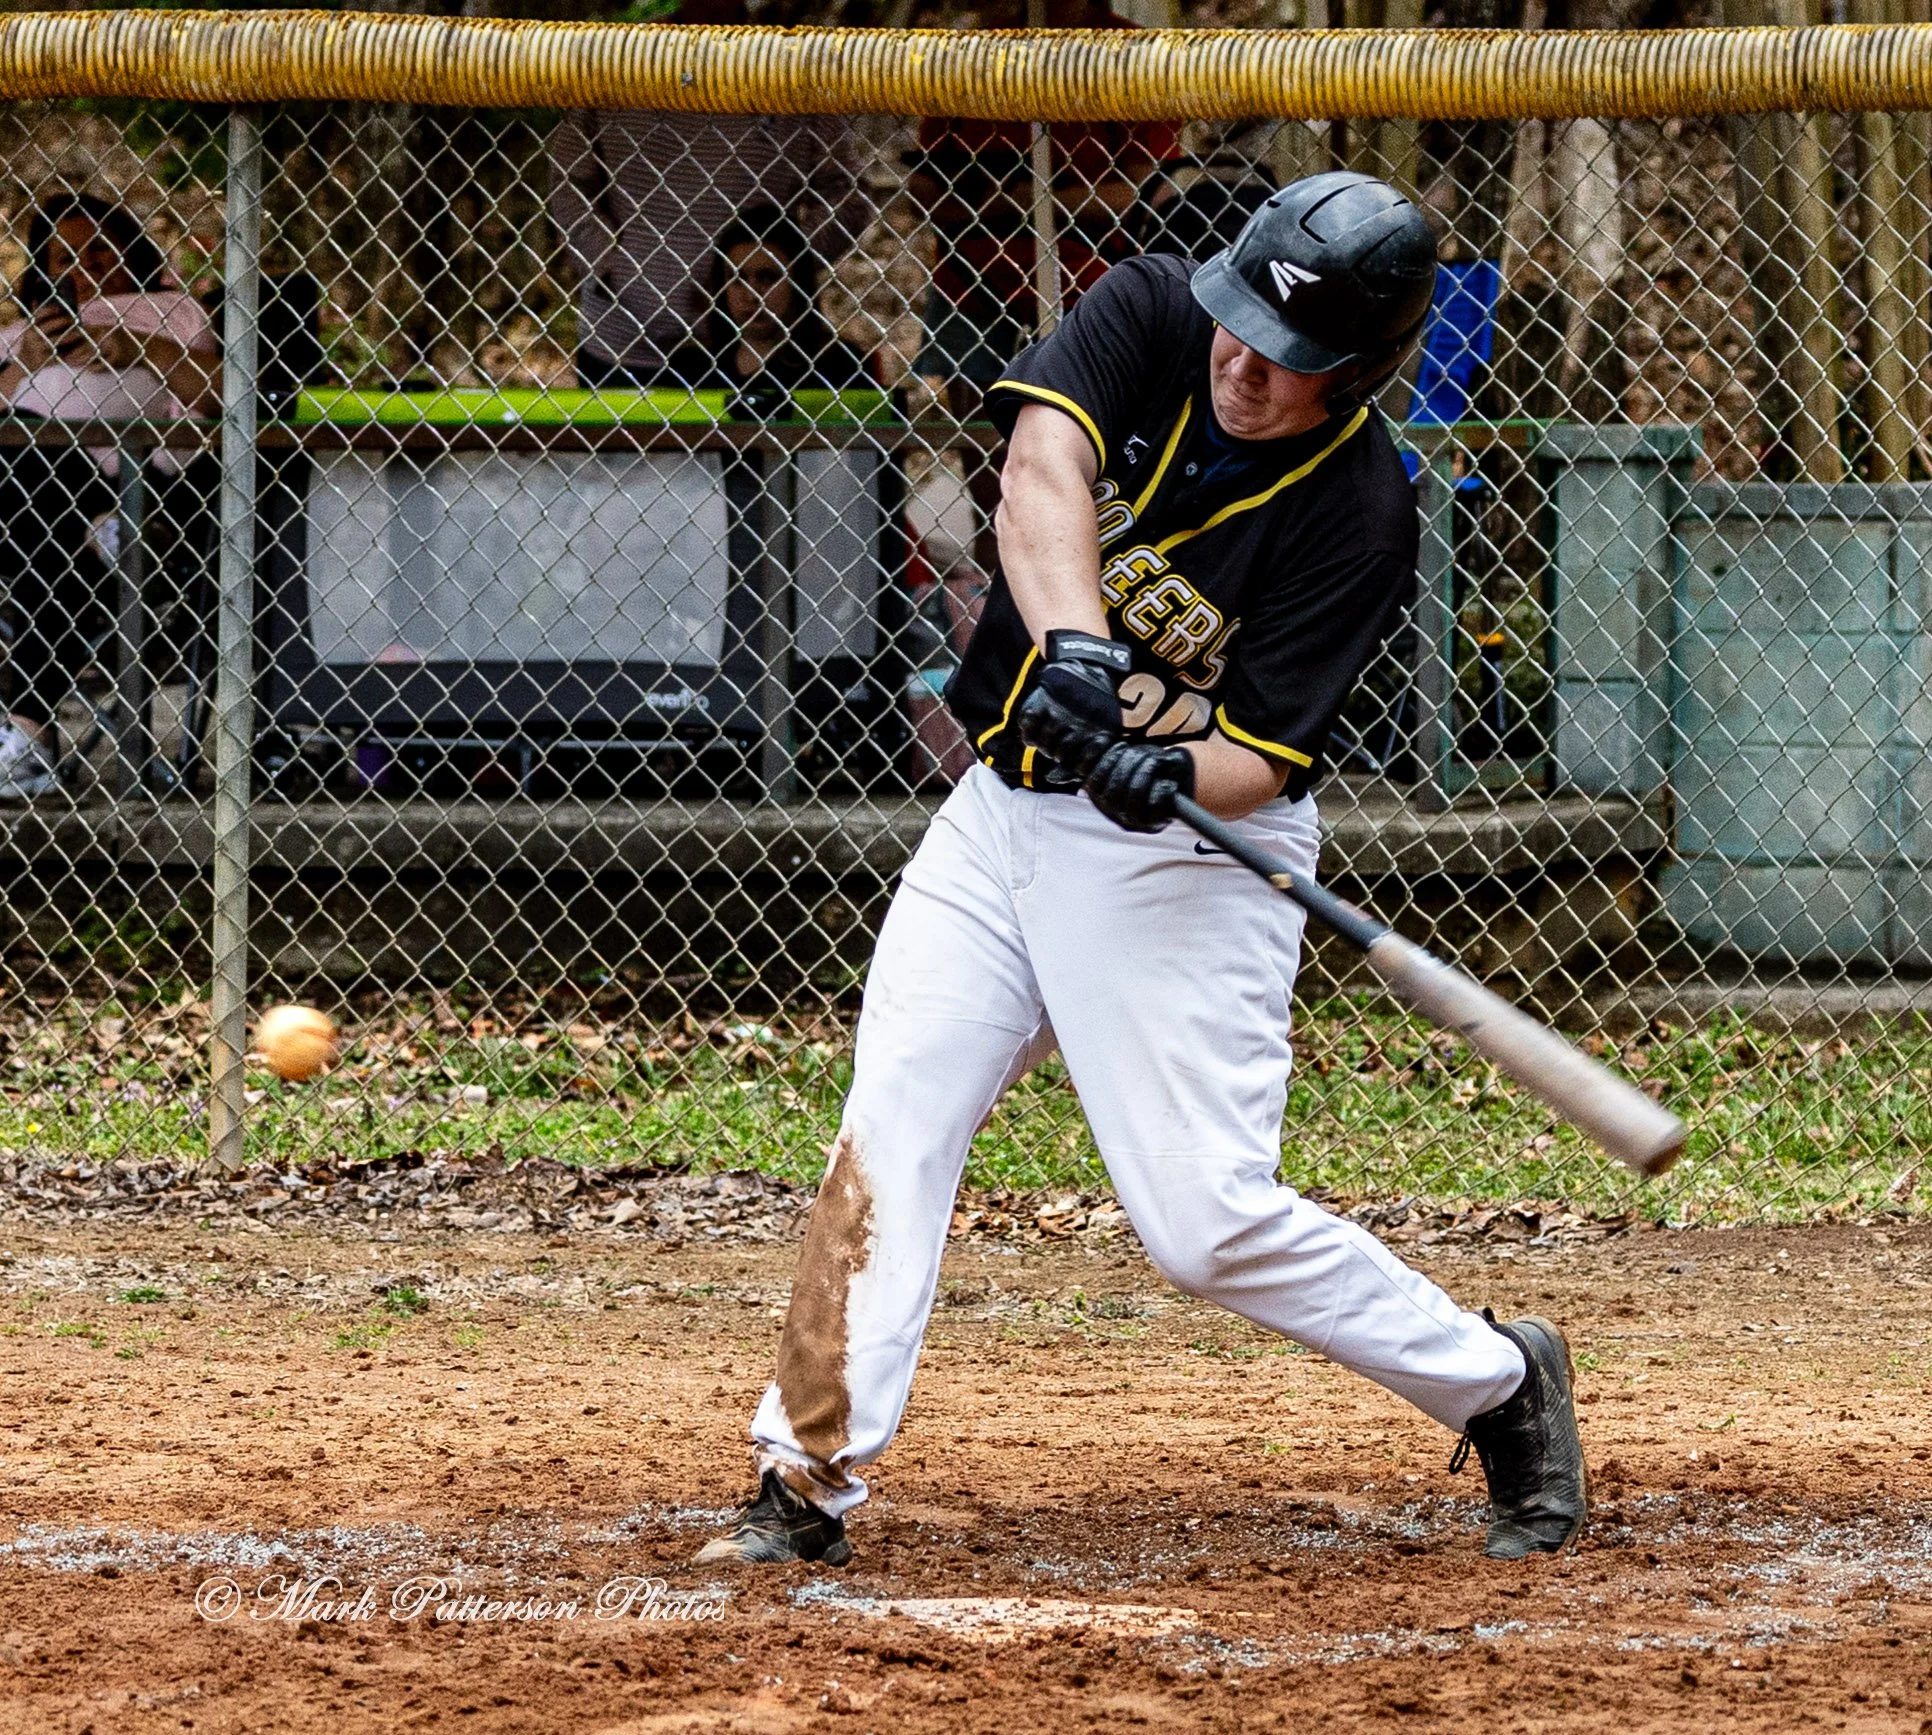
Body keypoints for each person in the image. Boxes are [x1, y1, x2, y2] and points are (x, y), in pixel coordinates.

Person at [696, 173, 1587, 1570]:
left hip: (1182, 860)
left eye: (1285, 356)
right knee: (894, 1121)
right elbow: (1039, 471)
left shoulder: (1361, 511)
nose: (1241, 363)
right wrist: (1075, 651)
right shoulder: (1151, 309)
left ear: (1356, 374)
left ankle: (1497, 1379)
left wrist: (1164, 768)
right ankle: (804, 1475)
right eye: (1240, 325)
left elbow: (1261, 759)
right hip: (1000, 812)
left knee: (1203, 1223)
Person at [0, 192, 219, 799]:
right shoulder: (17, 333)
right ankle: (102, 530)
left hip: (143, 486)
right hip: (37, 496)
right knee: (30, 456)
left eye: (101, 247)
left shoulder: (173, 310)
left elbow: (225, 396)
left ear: (132, 252)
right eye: (65, 256)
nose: (87, 264)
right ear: (44, 271)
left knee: (48, 549)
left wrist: (137, 346)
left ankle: (27, 736)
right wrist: (24, 363)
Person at [546, 0, 868, 392]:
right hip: (624, 342)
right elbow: (569, 181)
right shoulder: (617, 60)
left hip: (755, 349)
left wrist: (781, 268)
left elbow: (846, 192)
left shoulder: (790, 69)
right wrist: (612, 268)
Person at [699, 205, 874, 416]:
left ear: (797, 283)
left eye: (767, 278)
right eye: (738, 279)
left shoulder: (838, 365)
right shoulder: (693, 367)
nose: (751, 295)